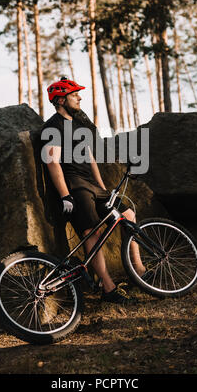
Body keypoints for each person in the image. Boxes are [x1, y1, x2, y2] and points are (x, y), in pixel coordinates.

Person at [41, 76, 145, 304]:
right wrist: (65, 195)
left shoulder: (79, 125)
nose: (79, 97)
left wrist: (102, 188)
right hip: (75, 187)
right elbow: (52, 163)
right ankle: (108, 288)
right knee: (91, 233)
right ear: (60, 99)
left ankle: (139, 270)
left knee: (127, 215)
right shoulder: (52, 126)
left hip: (93, 186)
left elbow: (90, 158)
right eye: (74, 94)